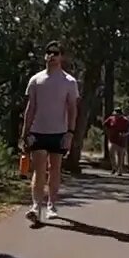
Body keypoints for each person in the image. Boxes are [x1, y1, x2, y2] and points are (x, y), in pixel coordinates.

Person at [21, 41, 79, 223]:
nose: (51, 56)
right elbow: (30, 108)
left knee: (55, 169)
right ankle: (36, 206)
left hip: (59, 132)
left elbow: (72, 109)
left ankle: (52, 205)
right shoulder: (36, 80)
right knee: (39, 170)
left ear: (62, 57)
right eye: (48, 53)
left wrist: (70, 133)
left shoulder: (69, 82)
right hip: (38, 130)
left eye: (55, 53)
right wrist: (25, 133)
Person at [103, 107, 129, 175]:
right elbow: (105, 125)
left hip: (121, 140)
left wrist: (125, 134)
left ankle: (120, 169)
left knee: (120, 156)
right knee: (111, 153)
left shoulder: (125, 120)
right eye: (115, 114)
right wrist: (108, 132)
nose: (116, 116)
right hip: (112, 139)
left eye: (117, 114)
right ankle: (114, 167)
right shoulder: (111, 119)